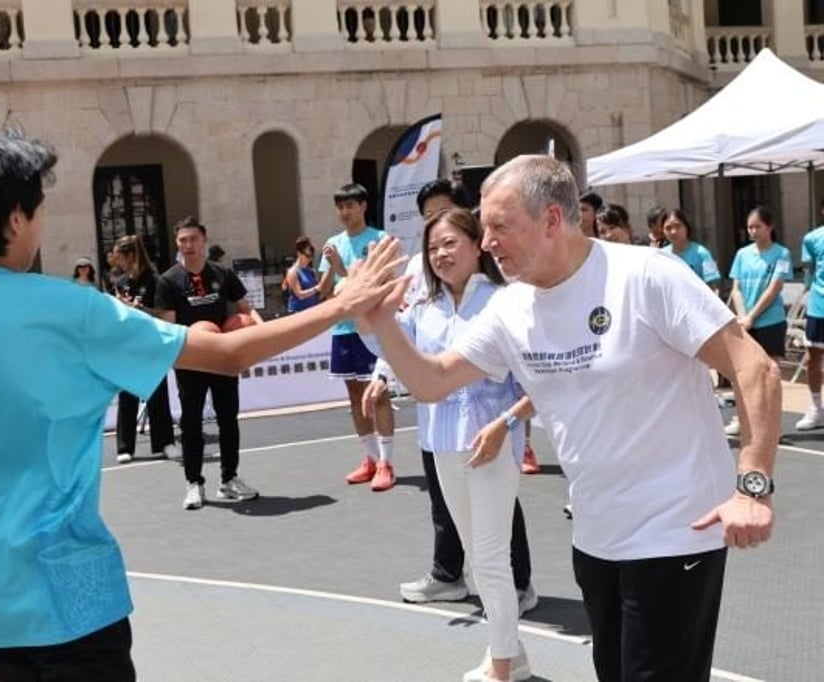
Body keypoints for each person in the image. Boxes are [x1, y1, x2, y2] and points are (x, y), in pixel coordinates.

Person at [0, 127, 406, 681]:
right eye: (36, 208)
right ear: (15, 218)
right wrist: (342, 304)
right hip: (66, 597)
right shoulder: (70, 310)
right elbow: (228, 354)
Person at [365, 155, 778, 682]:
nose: (486, 241)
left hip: (676, 534)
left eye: (499, 226)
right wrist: (381, 323)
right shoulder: (512, 309)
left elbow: (755, 368)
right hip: (595, 539)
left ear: (553, 221)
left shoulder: (646, 276)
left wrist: (753, 485)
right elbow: (431, 381)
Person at [362, 208, 535, 682]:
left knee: (492, 556)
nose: (440, 254)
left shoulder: (506, 301)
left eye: (450, 243)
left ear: (477, 245)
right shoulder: (424, 309)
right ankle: (510, 651)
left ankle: (502, 668)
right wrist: (370, 320)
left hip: (493, 443)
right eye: (433, 247)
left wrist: (506, 423)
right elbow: (396, 354)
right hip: (441, 439)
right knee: (478, 557)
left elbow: (538, 380)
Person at [155, 216, 264, 510]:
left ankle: (229, 479)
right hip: (190, 360)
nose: (188, 245)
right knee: (191, 424)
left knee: (228, 418)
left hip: (223, 357)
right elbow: (169, 327)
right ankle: (194, 483)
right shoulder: (168, 281)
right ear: (177, 244)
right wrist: (184, 349)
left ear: (203, 240)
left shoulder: (223, 274)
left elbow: (246, 310)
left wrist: (260, 336)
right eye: (182, 240)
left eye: (193, 239)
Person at [320, 182, 397, 491]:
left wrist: (342, 268)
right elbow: (324, 292)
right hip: (343, 330)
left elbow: (382, 283)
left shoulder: (379, 241)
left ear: (364, 206)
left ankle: (386, 463)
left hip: (372, 330)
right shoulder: (333, 243)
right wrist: (332, 269)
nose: (344, 212)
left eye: (350, 205)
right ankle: (370, 458)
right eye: (340, 207)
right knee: (355, 397)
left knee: (377, 395)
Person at [725, 206, 792, 436]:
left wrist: (753, 316)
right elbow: (736, 288)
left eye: (758, 226)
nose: (753, 231)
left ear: (770, 227)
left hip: (771, 322)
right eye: (750, 227)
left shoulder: (781, 254)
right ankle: (742, 419)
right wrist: (744, 316)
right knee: (745, 373)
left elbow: (775, 288)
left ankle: (773, 424)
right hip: (746, 323)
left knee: (771, 374)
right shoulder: (742, 255)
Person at [111, 235, 178, 463]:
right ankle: (124, 446)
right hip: (127, 344)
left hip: (151, 342)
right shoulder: (120, 282)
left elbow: (164, 314)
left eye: (119, 257)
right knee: (127, 395)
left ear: (131, 255)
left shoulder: (156, 281)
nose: (116, 262)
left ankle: (165, 442)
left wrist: (137, 309)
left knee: (157, 394)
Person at [797, 215, 824, 430]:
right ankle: (816, 408)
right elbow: (809, 271)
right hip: (818, 308)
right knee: (812, 359)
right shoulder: (812, 238)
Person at [661, 208, 722, 294]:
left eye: (678, 226)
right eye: (668, 228)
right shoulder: (661, 256)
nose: (673, 232)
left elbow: (713, 286)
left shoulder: (703, 253)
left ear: (686, 227)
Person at [284, 236, 330, 313]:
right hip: (299, 313)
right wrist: (316, 288)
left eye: (312, 256)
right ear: (299, 253)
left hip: (313, 311)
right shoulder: (292, 272)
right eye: (307, 256)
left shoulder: (311, 271)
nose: (310, 259)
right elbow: (300, 295)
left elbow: (319, 293)